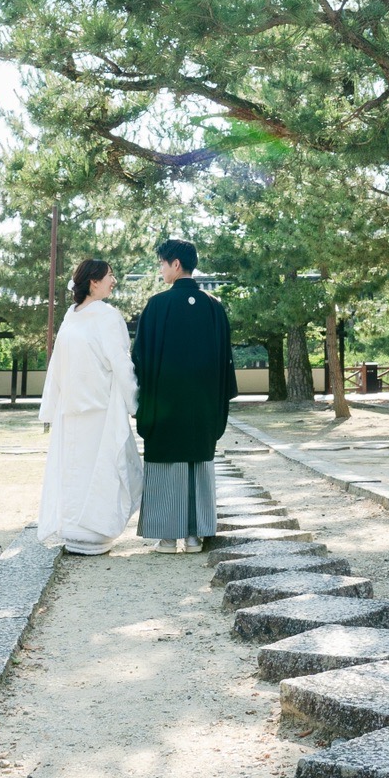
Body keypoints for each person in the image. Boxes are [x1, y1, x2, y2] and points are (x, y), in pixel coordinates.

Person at [131, 237, 237, 552]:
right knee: (198, 462)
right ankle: (195, 534)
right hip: (204, 404)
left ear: (176, 264)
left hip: (165, 405)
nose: (161, 269)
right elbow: (225, 362)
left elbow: (141, 358)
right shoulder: (214, 307)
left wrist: (147, 398)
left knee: (167, 461)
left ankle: (167, 536)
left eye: (162, 263)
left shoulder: (157, 305)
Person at [35, 258, 141, 555]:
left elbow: (120, 362)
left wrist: (132, 400)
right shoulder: (74, 315)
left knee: (102, 469)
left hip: (100, 411)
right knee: (75, 471)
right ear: (93, 282)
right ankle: (75, 531)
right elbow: (58, 364)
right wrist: (51, 406)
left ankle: (95, 532)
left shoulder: (107, 315)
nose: (114, 280)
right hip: (73, 411)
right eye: (110, 275)